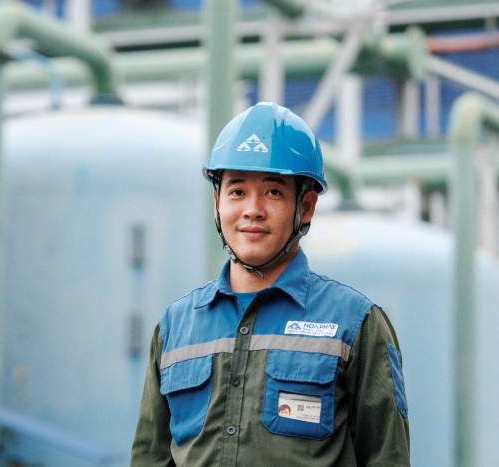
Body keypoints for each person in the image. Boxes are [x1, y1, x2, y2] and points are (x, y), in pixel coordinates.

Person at [130, 102, 410, 466]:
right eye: (237, 192)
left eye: (273, 192)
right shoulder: (175, 327)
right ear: (217, 202)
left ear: (306, 207)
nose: (253, 209)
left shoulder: (355, 324)